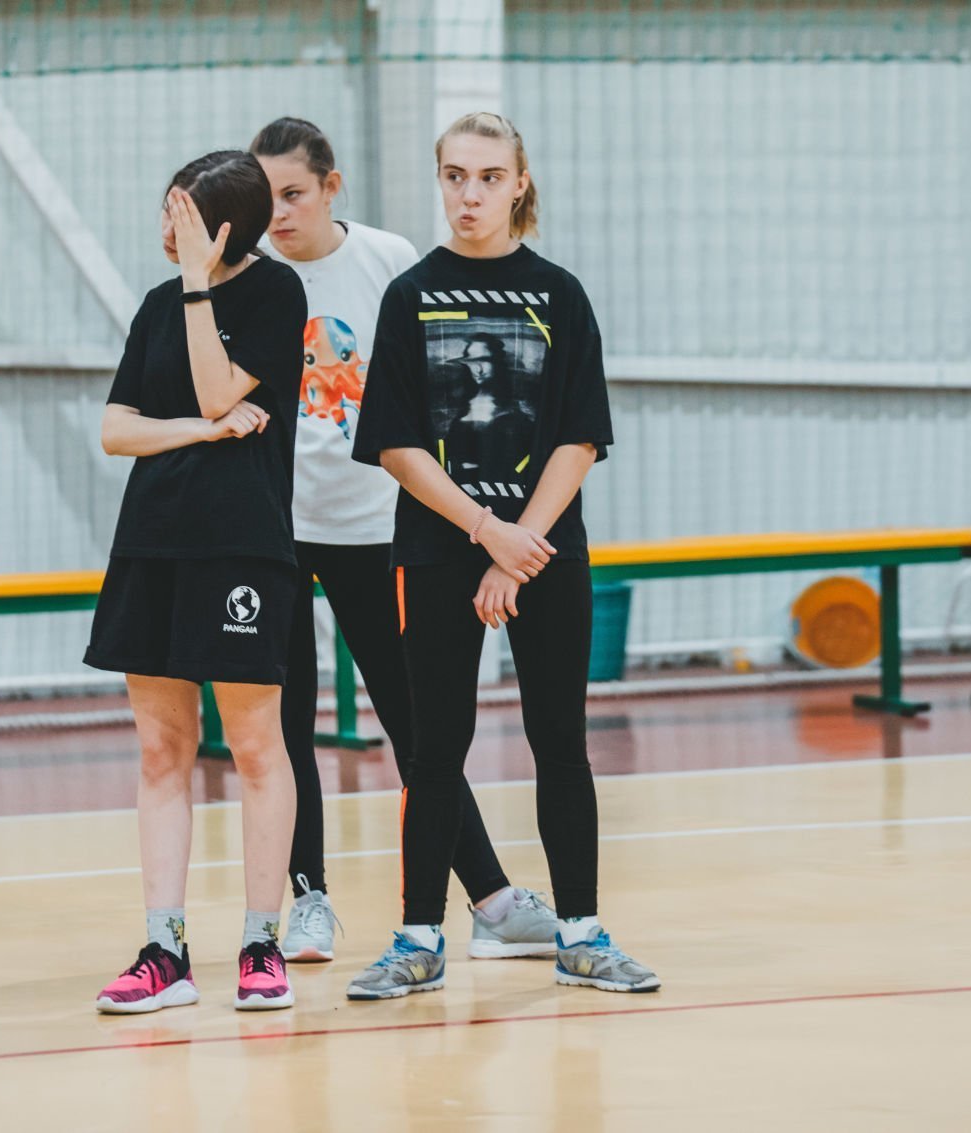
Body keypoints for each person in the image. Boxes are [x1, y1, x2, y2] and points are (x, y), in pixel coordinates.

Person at [345, 112, 660, 999]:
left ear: (519, 183)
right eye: (455, 176)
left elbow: (579, 439)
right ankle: (418, 939)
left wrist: (519, 550)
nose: (470, 194)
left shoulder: (561, 295)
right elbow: (398, 446)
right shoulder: (409, 295)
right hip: (440, 550)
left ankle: (582, 934)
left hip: (546, 551)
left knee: (561, 740)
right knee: (434, 749)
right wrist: (488, 533)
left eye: (488, 177)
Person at [250, 117, 559, 964]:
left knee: (420, 728)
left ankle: (492, 901)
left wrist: (474, 517)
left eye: (294, 194)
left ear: (331, 187)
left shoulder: (388, 262)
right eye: (264, 198)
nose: (279, 214)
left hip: (373, 529)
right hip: (273, 530)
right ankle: (308, 901)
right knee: (284, 727)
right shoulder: (249, 274)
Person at [84, 150, 307, 1013]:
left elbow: (220, 390)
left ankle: (260, 941)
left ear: (218, 232)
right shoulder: (155, 305)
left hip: (242, 547)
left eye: (179, 216)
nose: (163, 227)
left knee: (254, 746)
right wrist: (197, 434)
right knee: (160, 749)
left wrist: (196, 284)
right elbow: (117, 429)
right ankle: (164, 948)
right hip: (152, 542)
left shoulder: (275, 292)